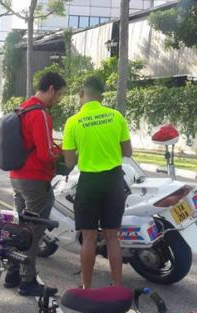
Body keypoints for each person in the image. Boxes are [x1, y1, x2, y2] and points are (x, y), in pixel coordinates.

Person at [61, 76, 132, 288]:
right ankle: (118, 285)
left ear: (82, 94)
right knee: (112, 238)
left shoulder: (73, 122)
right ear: (102, 96)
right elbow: (127, 151)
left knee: (89, 238)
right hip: (113, 181)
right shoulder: (116, 116)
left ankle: (86, 287)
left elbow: (70, 162)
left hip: (89, 182)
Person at [5, 71, 66, 296]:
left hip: (17, 176)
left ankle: (12, 272)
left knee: (19, 227)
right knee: (33, 231)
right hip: (35, 179)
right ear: (51, 89)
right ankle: (27, 280)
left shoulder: (23, 108)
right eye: (58, 95)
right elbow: (45, 154)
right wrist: (61, 154)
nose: (58, 100)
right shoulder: (40, 113)